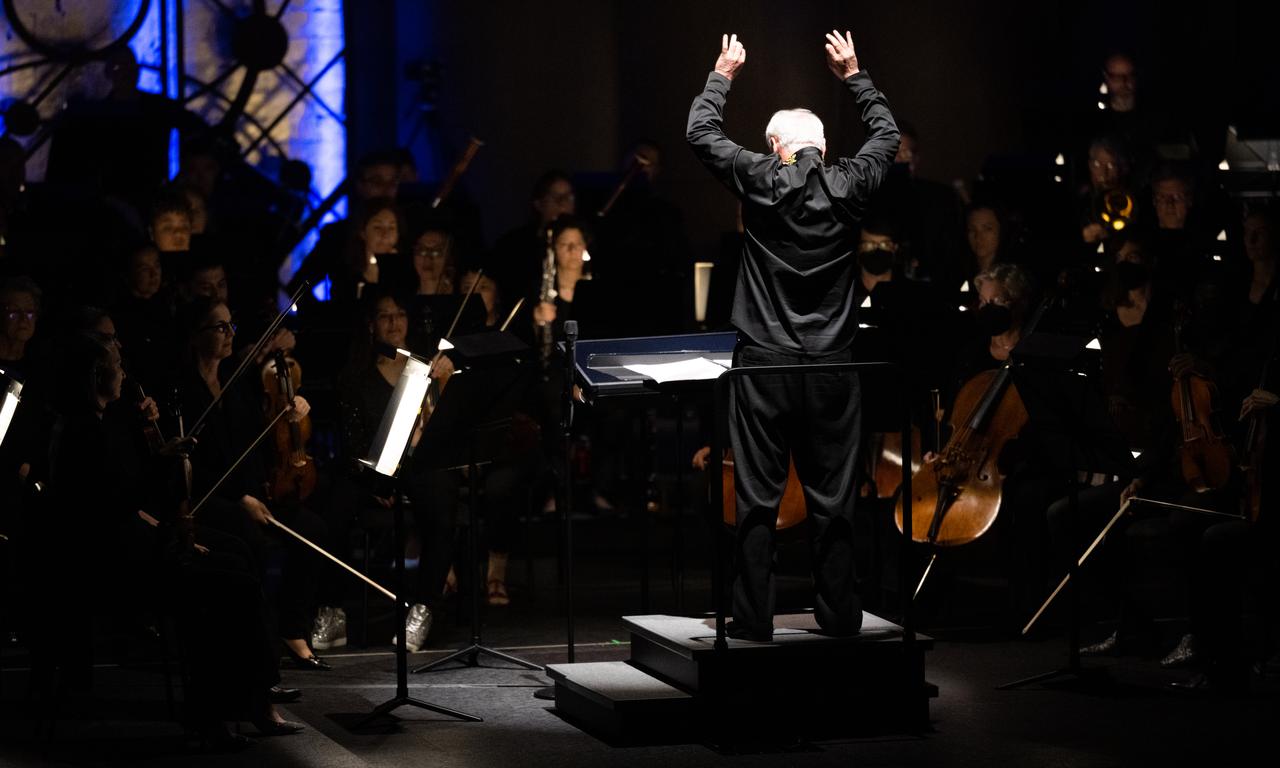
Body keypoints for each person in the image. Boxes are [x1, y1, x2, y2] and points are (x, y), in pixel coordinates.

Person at [686, 30, 899, 640]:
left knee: (757, 498)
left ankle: (754, 619)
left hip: (765, 369)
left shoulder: (761, 177)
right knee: (834, 499)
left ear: (776, 148)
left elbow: (700, 133)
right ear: (824, 148)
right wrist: (854, 75)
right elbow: (887, 136)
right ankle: (839, 615)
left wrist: (722, 74)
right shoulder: (849, 183)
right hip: (833, 368)